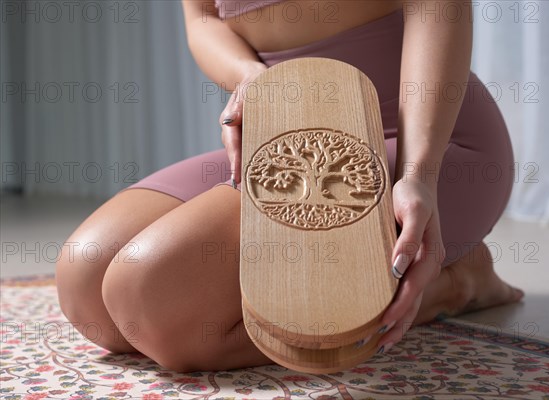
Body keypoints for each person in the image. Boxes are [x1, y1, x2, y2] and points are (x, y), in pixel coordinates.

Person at [56, 0, 524, 372]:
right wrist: (254, 82)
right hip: (287, 135)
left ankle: (456, 285)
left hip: (427, 141)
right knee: (87, 283)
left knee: (155, 306)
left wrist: (419, 174)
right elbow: (202, 18)